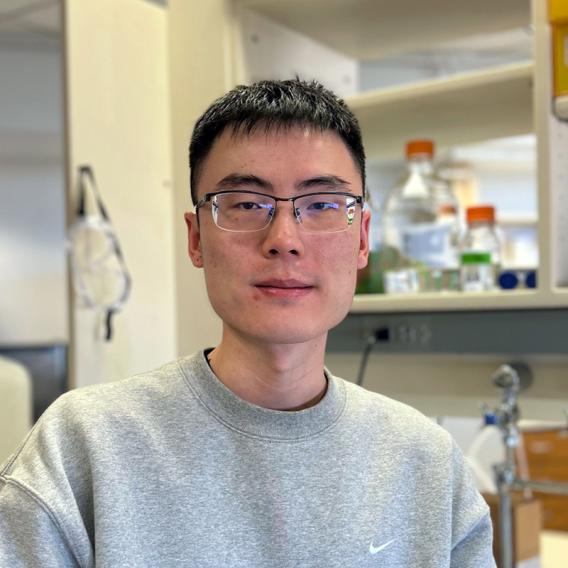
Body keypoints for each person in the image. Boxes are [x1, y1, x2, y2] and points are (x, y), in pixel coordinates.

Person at [0, 79, 495, 567]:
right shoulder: (84, 446)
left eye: (322, 205)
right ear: (196, 240)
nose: (284, 239)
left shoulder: (425, 463)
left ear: (362, 237)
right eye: (246, 204)